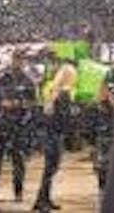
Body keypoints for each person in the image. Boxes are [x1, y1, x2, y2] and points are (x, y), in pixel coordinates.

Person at [0, 52, 36, 202]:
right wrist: (0, 105)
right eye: (16, 59)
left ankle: (18, 192)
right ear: (12, 60)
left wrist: (18, 104)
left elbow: (33, 102)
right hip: (2, 125)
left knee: (18, 161)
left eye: (21, 60)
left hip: (19, 126)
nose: (18, 62)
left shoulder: (28, 80)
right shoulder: (1, 79)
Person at [32, 58, 75, 212]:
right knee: (50, 168)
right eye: (71, 75)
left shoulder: (58, 91)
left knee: (51, 168)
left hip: (53, 133)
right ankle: (41, 200)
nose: (73, 77)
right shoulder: (59, 92)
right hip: (52, 133)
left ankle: (44, 198)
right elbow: (54, 115)